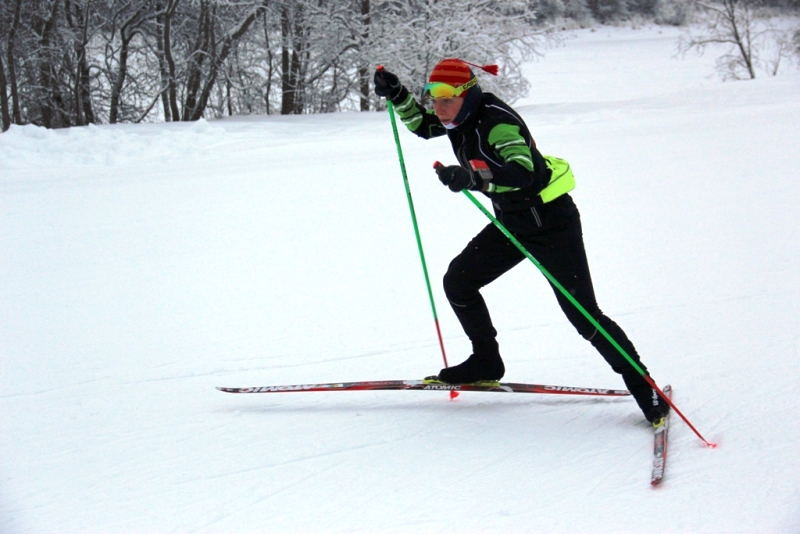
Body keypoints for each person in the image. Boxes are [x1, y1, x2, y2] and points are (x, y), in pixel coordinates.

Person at [374, 58, 670, 427]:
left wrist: (473, 178)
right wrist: (398, 93)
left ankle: (645, 389)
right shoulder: (458, 117)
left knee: (583, 316)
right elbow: (421, 125)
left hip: (551, 224)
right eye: (432, 97)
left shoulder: (497, 122)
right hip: (513, 224)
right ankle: (486, 361)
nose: (439, 107)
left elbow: (525, 172)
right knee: (459, 281)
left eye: (446, 98)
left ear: (467, 94)